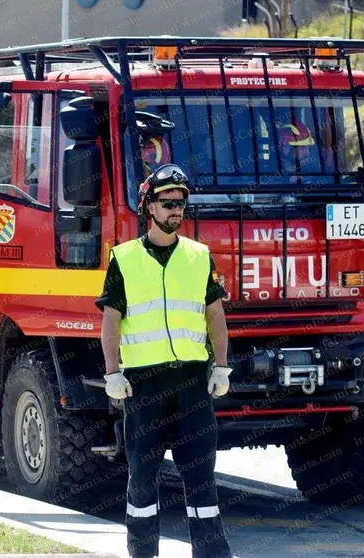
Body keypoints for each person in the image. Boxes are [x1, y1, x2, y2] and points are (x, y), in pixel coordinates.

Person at [96, 163, 234, 558]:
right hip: (144, 384)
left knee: (201, 476)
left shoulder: (198, 256)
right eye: (168, 203)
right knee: (142, 477)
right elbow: (111, 322)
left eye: (181, 203)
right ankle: (143, 553)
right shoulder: (123, 259)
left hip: (192, 382)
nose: (176, 210)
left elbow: (215, 316)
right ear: (148, 207)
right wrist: (112, 373)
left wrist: (221, 365)